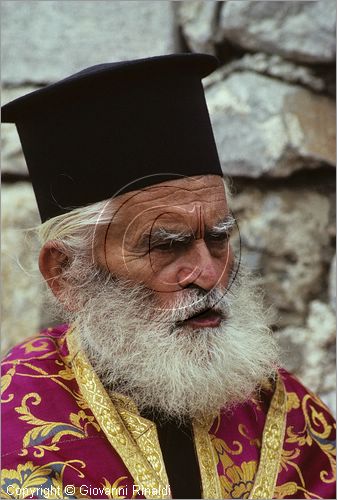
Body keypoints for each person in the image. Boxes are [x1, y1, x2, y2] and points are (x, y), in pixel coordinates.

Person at [1, 54, 335, 500]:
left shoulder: (287, 413)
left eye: (218, 239)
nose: (210, 274)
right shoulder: (11, 425)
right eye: (166, 245)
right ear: (66, 274)